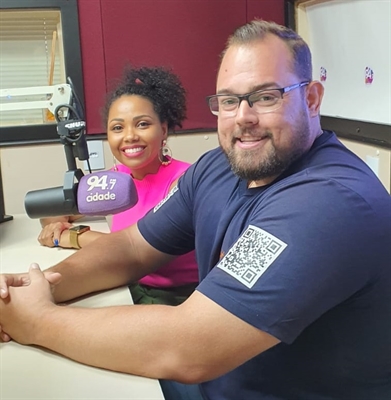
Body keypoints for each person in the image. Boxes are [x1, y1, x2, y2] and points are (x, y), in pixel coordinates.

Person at [1, 19, 390, 400]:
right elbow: (132, 248)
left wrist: (36, 321)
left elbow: (189, 347)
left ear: (311, 99)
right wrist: (35, 286)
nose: (243, 117)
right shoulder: (217, 167)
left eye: (266, 96)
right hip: (216, 381)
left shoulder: (329, 202)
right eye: (228, 100)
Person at [37, 66, 199, 307]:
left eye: (142, 124)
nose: (129, 136)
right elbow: (59, 210)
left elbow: (136, 248)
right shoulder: (115, 179)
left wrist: (73, 236)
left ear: (163, 130)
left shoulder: (185, 181)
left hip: (178, 300)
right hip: (126, 285)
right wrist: (55, 225)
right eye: (117, 127)